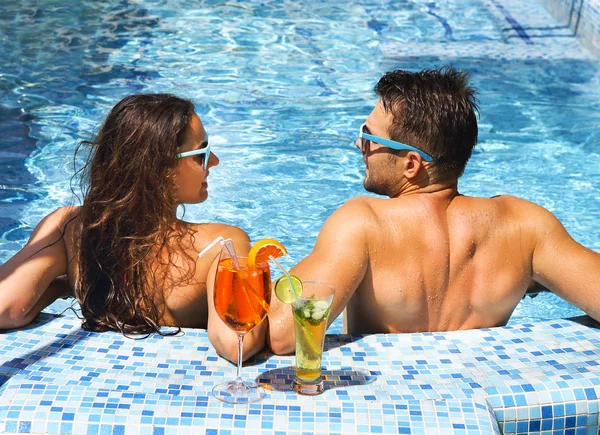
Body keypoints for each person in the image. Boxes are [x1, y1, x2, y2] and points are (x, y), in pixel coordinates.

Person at [267, 66, 600, 355]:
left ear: (412, 163)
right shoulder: (524, 227)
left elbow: (285, 334)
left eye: (368, 136)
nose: (359, 145)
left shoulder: (364, 224)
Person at [0, 94, 262, 362]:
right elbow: (236, 343)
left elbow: (7, 307)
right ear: (162, 169)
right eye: (202, 155)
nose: (214, 161)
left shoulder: (71, 228)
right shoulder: (221, 242)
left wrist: (67, 284)